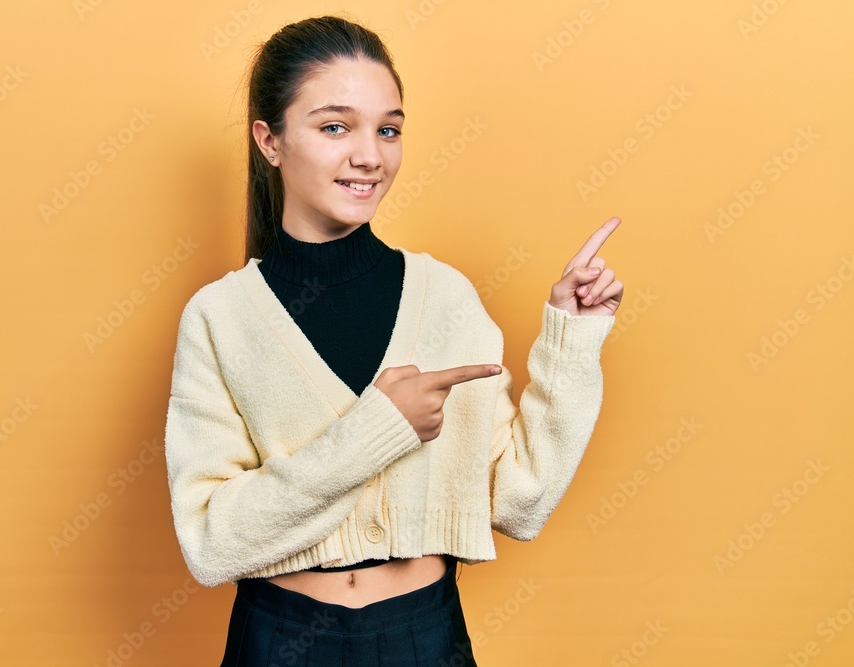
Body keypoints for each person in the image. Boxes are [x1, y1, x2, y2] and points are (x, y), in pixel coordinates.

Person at [163, 13, 624, 666]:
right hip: (279, 640)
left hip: (423, 636)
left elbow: (520, 500)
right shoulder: (220, 318)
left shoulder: (447, 300)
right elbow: (212, 542)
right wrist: (380, 428)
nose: (370, 156)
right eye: (334, 126)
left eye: (388, 129)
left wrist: (573, 340)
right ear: (269, 140)